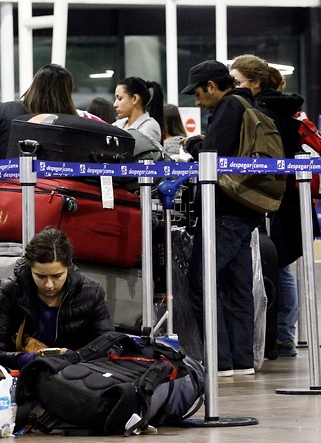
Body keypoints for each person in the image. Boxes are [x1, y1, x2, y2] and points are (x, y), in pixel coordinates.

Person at [229, 54, 318, 358]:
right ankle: (284, 335)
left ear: (254, 83)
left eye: (238, 82)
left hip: (275, 197)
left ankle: (282, 336)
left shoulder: (262, 111)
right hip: (291, 197)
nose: (234, 88)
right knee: (281, 266)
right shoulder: (286, 109)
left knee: (278, 267)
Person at [181, 59, 264, 377]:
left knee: (202, 281)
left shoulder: (229, 107)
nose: (196, 99)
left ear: (212, 86)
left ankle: (219, 360)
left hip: (224, 211)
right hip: (244, 210)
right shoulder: (247, 103)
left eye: (198, 93)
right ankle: (241, 361)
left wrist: (193, 143)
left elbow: (211, 155)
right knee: (236, 286)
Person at [0, 228, 114, 370]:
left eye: (57, 276)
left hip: (76, 379)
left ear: (68, 267)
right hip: (24, 377)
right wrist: (30, 359)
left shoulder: (91, 293)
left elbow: (109, 349)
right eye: (41, 276)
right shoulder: (11, 292)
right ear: (29, 267)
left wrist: (72, 357)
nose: (49, 285)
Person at [0, 63, 79, 163]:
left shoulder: (5, 111)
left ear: (35, 86)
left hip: (6, 181)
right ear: (67, 92)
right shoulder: (74, 123)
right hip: (56, 183)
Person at [113, 76, 165, 143]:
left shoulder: (149, 127)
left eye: (120, 98)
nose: (115, 104)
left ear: (134, 99)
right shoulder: (117, 124)